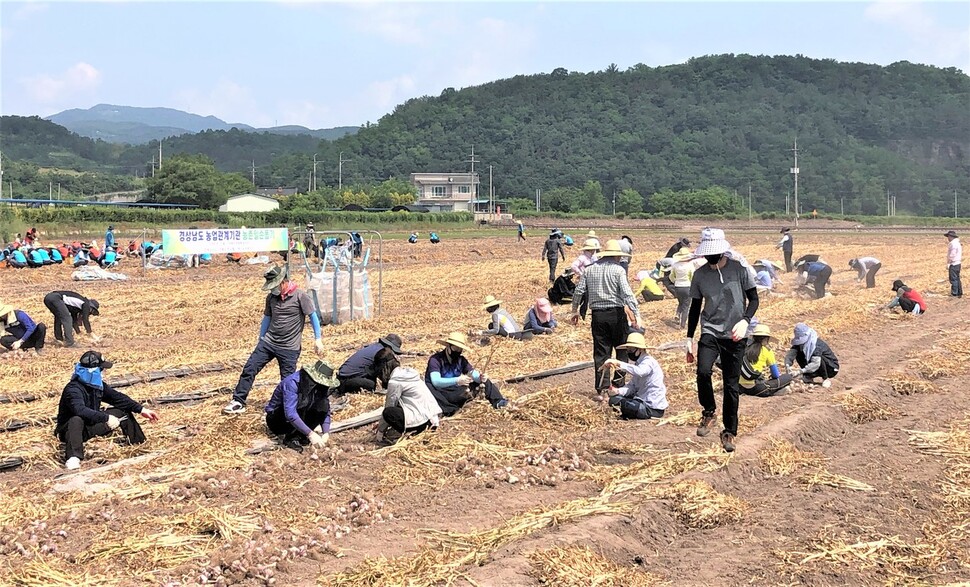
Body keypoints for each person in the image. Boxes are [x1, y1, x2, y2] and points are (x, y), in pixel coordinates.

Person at [685, 228, 759, 453]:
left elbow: (754, 299)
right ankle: (708, 412)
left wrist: (745, 320)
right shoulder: (700, 275)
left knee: (730, 384)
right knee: (703, 371)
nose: (710, 258)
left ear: (723, 252)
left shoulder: (739, 269)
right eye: (707, 255)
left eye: (713, 254)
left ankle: (730, 431)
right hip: (710, 330)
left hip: (735, 334)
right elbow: (695, 307)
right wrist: (689, 337)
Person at [224, 265, 325, 414]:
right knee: (250, 368)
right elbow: (267, 318)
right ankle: (238, 401)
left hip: (289, 348)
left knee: (288, 381)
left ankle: (284, 409)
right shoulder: (271, 297)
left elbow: (313, 317)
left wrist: (318, 339)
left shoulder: (300, 296)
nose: (273, 290)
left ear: (283, 282)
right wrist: (261, 338)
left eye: (274, 286)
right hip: (269, 342)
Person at [55, 351, 159, 470]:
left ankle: (138, 444)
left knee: (122, 412)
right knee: (76, 419)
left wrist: (141, 409)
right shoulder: (73, 389)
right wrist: (106, 418)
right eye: (101, 369)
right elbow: (80, 410)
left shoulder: (97, 385)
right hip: (73, 432)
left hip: (91, 426)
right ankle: (74, 457)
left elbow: (117, 398)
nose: (102, 372)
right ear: (93, 371)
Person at [571, 239, 641, 401]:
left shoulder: (589, 270)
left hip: (598, 316)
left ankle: (601, 389)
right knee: (622, 350)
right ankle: (617, 386)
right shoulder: (618, 270)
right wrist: (636, 314)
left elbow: (579, 291)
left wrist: (574, 311)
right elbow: (627, 293)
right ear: (616, 256)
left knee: (601, 352)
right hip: (616, 314)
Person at [425, 332, 507, 415]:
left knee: (484, 382)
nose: (457, 351)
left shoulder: (461, 360)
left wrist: (480, 378)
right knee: (429, 388)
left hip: (454, 391)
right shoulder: (435, 360)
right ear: (448, 347)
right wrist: (457, 380)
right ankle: (449, 409)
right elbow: (436, 382)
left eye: (459, 349)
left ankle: (498, 402)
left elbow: (472, 373)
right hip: (440, 394)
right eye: (455, 348)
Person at [264, 360, 338, 452]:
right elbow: (290, 414)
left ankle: (301, 435)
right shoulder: (292, 383)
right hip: (278, 419)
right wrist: (310, 434)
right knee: (300, 406)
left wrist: (326, 432)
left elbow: (325, 409)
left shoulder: (319, 386)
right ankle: (291, 438)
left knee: (320, 406)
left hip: (301, 414)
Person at [374, 348, 442, 444]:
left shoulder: (395, 381)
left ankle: (411, 433)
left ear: (385, 368)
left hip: (422, 423)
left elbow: (390, 406)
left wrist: (380, 431)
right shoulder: (409, 373)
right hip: (433, 420)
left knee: (388, 412)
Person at [603, 332, 668, 420]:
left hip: (651, 407)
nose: (629, 353)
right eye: (628, 350)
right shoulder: (638, 363)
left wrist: (618, 363)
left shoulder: (648, 362)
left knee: (625, 405)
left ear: (640, 349)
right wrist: (617, 391)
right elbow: (632, 387)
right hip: (640, 401)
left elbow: (640, 372)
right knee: (615, 400)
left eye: (631, 350)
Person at [336, 334, 404, 395]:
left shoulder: (373, 347)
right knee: (371, 385)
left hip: (340, 378)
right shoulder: (382, 353)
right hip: (346, 380)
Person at [739, 324, 793, 397]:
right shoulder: (767, 351)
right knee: (788, 377)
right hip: (757, 389)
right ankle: (776, 392)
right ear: (767, 338)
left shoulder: (745, 348)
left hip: (740, 387)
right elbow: (775, 375)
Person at [785, 323, 839, 387]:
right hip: (815, 367)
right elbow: (790, 354)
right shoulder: (800, 345)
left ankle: (825, 378)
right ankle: (809, 376)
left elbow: (816, 364)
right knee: (799, 352)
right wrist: (788, 366)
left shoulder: (816, 345)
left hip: (830, 367)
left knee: (820, 358)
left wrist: (800, 372)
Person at [669, 250, 697, 328]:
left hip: (677, 287)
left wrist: (675, 281)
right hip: (687, 286)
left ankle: (678, 314)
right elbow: (692, 277)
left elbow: (671, 276)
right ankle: (682, 325)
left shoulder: (675, 265)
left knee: (681, 302)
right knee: (686, 306)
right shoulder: (690, 265)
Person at [945, 230, 963, 297]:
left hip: (954, 263)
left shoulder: (953, 244)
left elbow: (952, 254)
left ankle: (954, 293)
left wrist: (949, 263)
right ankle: (959, 292)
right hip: (958, 263)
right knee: (957, 278)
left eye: (948, 237)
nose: (948, 238)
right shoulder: (957, 243)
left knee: (953, 279)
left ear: (950, 236)